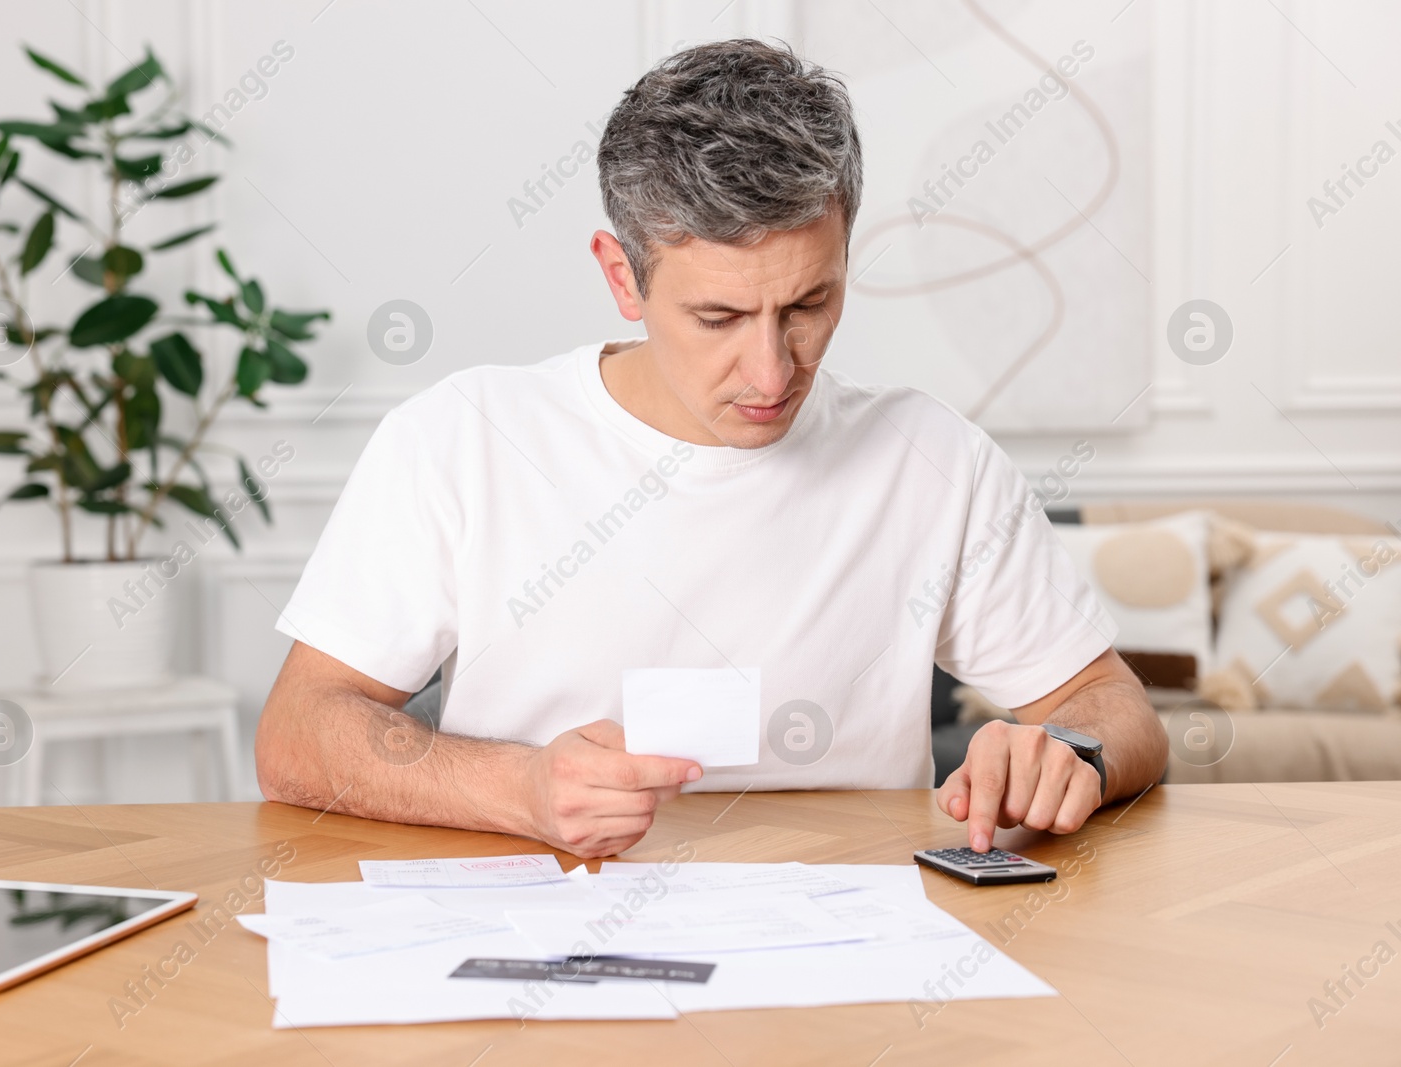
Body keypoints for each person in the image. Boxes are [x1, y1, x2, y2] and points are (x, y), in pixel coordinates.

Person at [255, 38, 1167, 859]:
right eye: (718, 316)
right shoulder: (462, 439)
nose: (772, 369)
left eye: (809, 304)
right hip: (548, 928)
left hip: (849, 952)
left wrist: (1067, 751)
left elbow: (1111, 704)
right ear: (623, 276)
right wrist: (521, 789)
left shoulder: (932, 458)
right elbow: (300, 730)